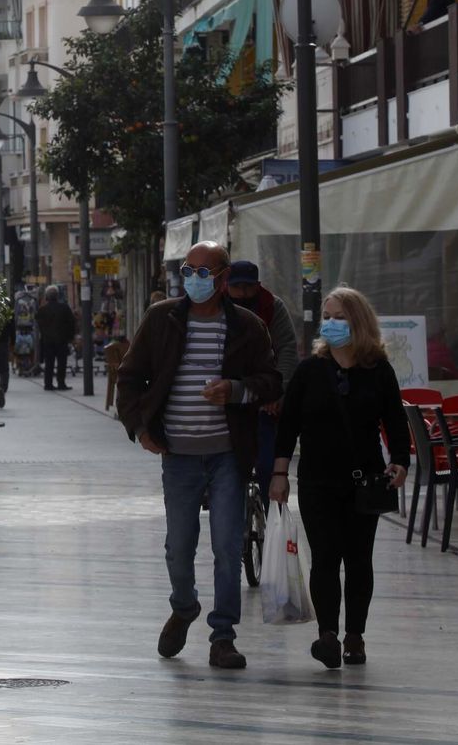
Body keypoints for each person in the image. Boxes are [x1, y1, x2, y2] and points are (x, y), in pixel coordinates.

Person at [115, 240, 281, 671]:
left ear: (223, 279)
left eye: (203, 272)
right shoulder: (162, 318)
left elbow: (271, 380)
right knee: (179, 546)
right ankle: (184, 606)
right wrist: (139, 429)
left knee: (228, 546)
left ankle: (223, 636)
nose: (193, 279)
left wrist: (236, 390)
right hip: (179, 454)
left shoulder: (246, 326)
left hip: (228, 453)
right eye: (188, 270)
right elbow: (128, 378)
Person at [270, 286, 409, 669]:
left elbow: (395, 420)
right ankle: (328, 635)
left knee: (359, 559)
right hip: (317, 481)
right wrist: (279, 473)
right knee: (325, 558)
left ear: (358, 322)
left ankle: (355, 636)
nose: (330, 324)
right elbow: (288, 426)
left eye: (339, 317)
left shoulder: (378, 371)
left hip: (365, 481)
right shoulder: (309, 371)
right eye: (327, 317)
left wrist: (400, 461)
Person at [224, 260, 299, 504]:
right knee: (227, 469)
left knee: (268, 464)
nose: (243, 293)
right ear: (226, 286)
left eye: (248, 287)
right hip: (229, 397)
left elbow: (287, 349)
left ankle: (271, 512)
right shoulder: (216, 306)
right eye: (237, 287)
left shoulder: (272, 306)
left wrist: (278, 391)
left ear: (258, 285)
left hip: (266, 396)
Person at [35, 285, 77, 391]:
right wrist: (71, 337)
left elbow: (39, 324)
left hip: (47, 341)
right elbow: (71, 323)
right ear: (57, 296)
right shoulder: (64, 308)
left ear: (46, 297)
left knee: (49, 363)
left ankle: (48, 384)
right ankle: (61, 383)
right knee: (62, 363)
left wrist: (44, 334)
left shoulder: (42, 310)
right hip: (62, 340)